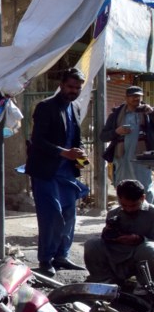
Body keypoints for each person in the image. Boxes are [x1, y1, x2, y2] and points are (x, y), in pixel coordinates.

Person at [25, 67, 89, 277]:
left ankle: (62, 255)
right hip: (46, 171)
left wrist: (80, 159)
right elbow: (38, 141)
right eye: (70, 87)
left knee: (69, 215)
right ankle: (46, 259)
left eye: (78, 88)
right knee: (51, 215)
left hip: (67, 172)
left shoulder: (76, 107)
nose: (74, 91)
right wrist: (64, 153)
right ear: (61, 85)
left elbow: (76, 140)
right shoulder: (46, 107)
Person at [84, 179, 154, 284]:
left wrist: (140, 239)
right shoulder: (114, 214)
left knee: (149, 249)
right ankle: (103, 279)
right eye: (124, 205)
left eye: (133, 206)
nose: (129, 209)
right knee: (92, 244)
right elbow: (106, 238)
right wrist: (108, 234)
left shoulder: (152, 213)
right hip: (118, 255)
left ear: (143, 198)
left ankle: (145, 284)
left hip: (143, 257)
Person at [100, 85, 154, 203]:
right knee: (122, 188)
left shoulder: (148, 113)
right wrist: (116, 131)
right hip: (122, 159)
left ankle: (149, 215)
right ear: (126, 98)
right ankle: (124, 214)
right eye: (133, 96)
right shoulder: (116, 115)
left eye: (139, 96)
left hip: (142, 160)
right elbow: (103, 136)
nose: (136, 99)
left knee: (145, 188)